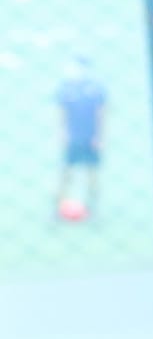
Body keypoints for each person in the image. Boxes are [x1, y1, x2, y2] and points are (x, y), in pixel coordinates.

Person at [53, 56, 104, 223]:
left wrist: (99, 136)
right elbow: (62, 113)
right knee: (66, 174)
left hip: (90, 138)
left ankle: (93, 209)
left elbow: (100, 114)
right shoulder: (66, 89)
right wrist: (63, 133)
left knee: (92, 175)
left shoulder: (95, 89)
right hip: (73, 138)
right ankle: (58, 208)